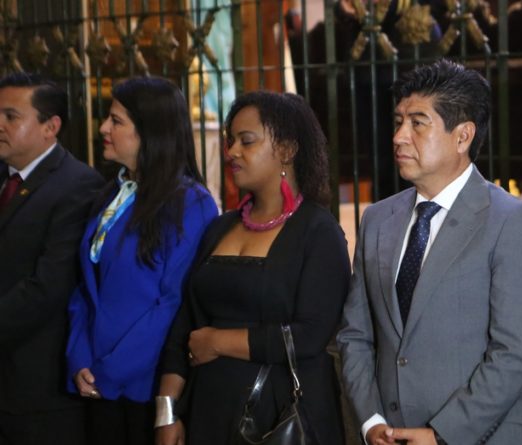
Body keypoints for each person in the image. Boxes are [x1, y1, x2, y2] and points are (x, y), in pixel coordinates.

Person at [337, 59, 522, 445]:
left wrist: (441, 435)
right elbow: (356, 334)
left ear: (462, 136)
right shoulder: (377, 219)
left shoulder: (511, 221)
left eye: (418, 123)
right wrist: (371, 421)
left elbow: (516, 352)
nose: (399, 136)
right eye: (399, 122)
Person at [156, 91, 350, 445]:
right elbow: (184, 325)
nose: (231, 152)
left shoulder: (319, 232)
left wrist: (218, 341)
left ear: (287, 150)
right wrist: (166, 413)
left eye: (246, 141)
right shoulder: (220, 228)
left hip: (280, 419)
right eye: (231, 141)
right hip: (208, 411)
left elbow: (310, 335)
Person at [65, 76, 218, 445]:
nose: (103, 128)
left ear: (151, 132)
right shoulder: (111, 194)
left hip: (143, 385)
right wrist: (78, 357)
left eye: (116, 121)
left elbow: (172, 303)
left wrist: (110, 370)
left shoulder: (191, 203)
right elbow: (86, 286)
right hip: (96, 380)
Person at [0, 73, 104, 445]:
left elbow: (48, 286)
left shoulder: (77, 185)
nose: (0, 125)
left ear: (51, 127)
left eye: (11, 116)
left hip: (37, 391)